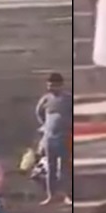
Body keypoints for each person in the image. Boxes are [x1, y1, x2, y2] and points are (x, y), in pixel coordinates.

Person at [35, 72, 72, 204]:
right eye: (49, 85)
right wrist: (46, 126)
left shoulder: (68, 99)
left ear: (60, 85)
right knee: (50, 167)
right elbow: (39, 113)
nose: (51, 87)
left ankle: (67, 194)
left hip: (65, 136)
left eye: (54, 85)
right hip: (49, 138)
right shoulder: (45, 100)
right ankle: (51, 195)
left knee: (65, 167)